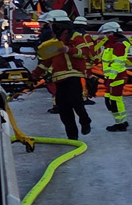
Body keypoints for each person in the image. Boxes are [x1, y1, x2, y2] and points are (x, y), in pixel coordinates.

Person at [30, 10, 91, 140]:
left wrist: (69, 50)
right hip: (59, 79)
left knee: (76, 101)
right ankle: (72, 137)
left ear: (59, 24)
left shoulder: (75, 37)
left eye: (51, 23)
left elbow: (85, 52)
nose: (50, 26)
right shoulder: (53, 42)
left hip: (74, 75)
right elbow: (46, 62)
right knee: (64, 109)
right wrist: (34, 75)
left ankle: (85, 120)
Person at [97, 21, 130, 132]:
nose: (106, 36)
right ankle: (122, 121)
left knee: (114, 101)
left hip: (116, 77)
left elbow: (117, 63)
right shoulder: (112, 43)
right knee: (111, 100)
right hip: (112, 77)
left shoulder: (119, 44)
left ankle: (119, 123)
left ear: (114, 32)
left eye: (108, 33)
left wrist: (111, 78)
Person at [72, 16, 100, 105]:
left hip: (73, 62)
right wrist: (95, 59)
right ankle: (84, 98)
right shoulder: (85, 36)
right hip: (84, 62)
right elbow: (90, 50)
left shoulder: (71, 34)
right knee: (83, 80)